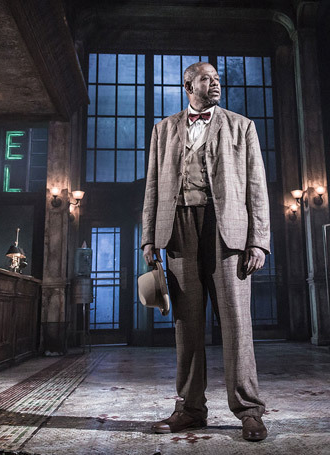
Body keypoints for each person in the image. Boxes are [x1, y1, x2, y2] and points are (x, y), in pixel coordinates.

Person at [142, 62, 271, 442]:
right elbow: (152, 186)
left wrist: (258, 240)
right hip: (178, 229)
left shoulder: (241, 126)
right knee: (187, 324)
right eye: (206, 79)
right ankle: (190, 409)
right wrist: (149, 238)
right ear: (188, 85)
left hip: (226, 230)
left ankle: (248, 409)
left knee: (236, 323)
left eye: (217, 79)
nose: (215, 84)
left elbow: (257, 186)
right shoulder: (163, 129)